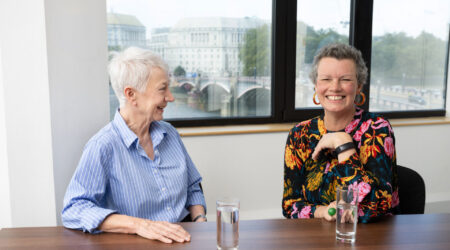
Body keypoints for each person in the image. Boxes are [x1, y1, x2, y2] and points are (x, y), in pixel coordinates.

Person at [62, 47, 207, 243]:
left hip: (185, 239)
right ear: (131, 95)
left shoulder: (170, 134)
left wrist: (200, 219)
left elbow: (192, 187)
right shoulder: (103, 146)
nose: (171, 97)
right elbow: (74, 209)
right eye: (162, 88)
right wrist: (140, 225)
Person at [282, 43, 399, 223]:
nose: (335, 87)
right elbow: (290, 206)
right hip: (314, 238)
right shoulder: (300, 134)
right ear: (315, 84)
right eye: (326, 79)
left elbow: (378, 206)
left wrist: (343, 144)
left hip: (369, 238)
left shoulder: (377, 129)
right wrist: (323, 211)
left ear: (359, 86)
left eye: (345, 79)